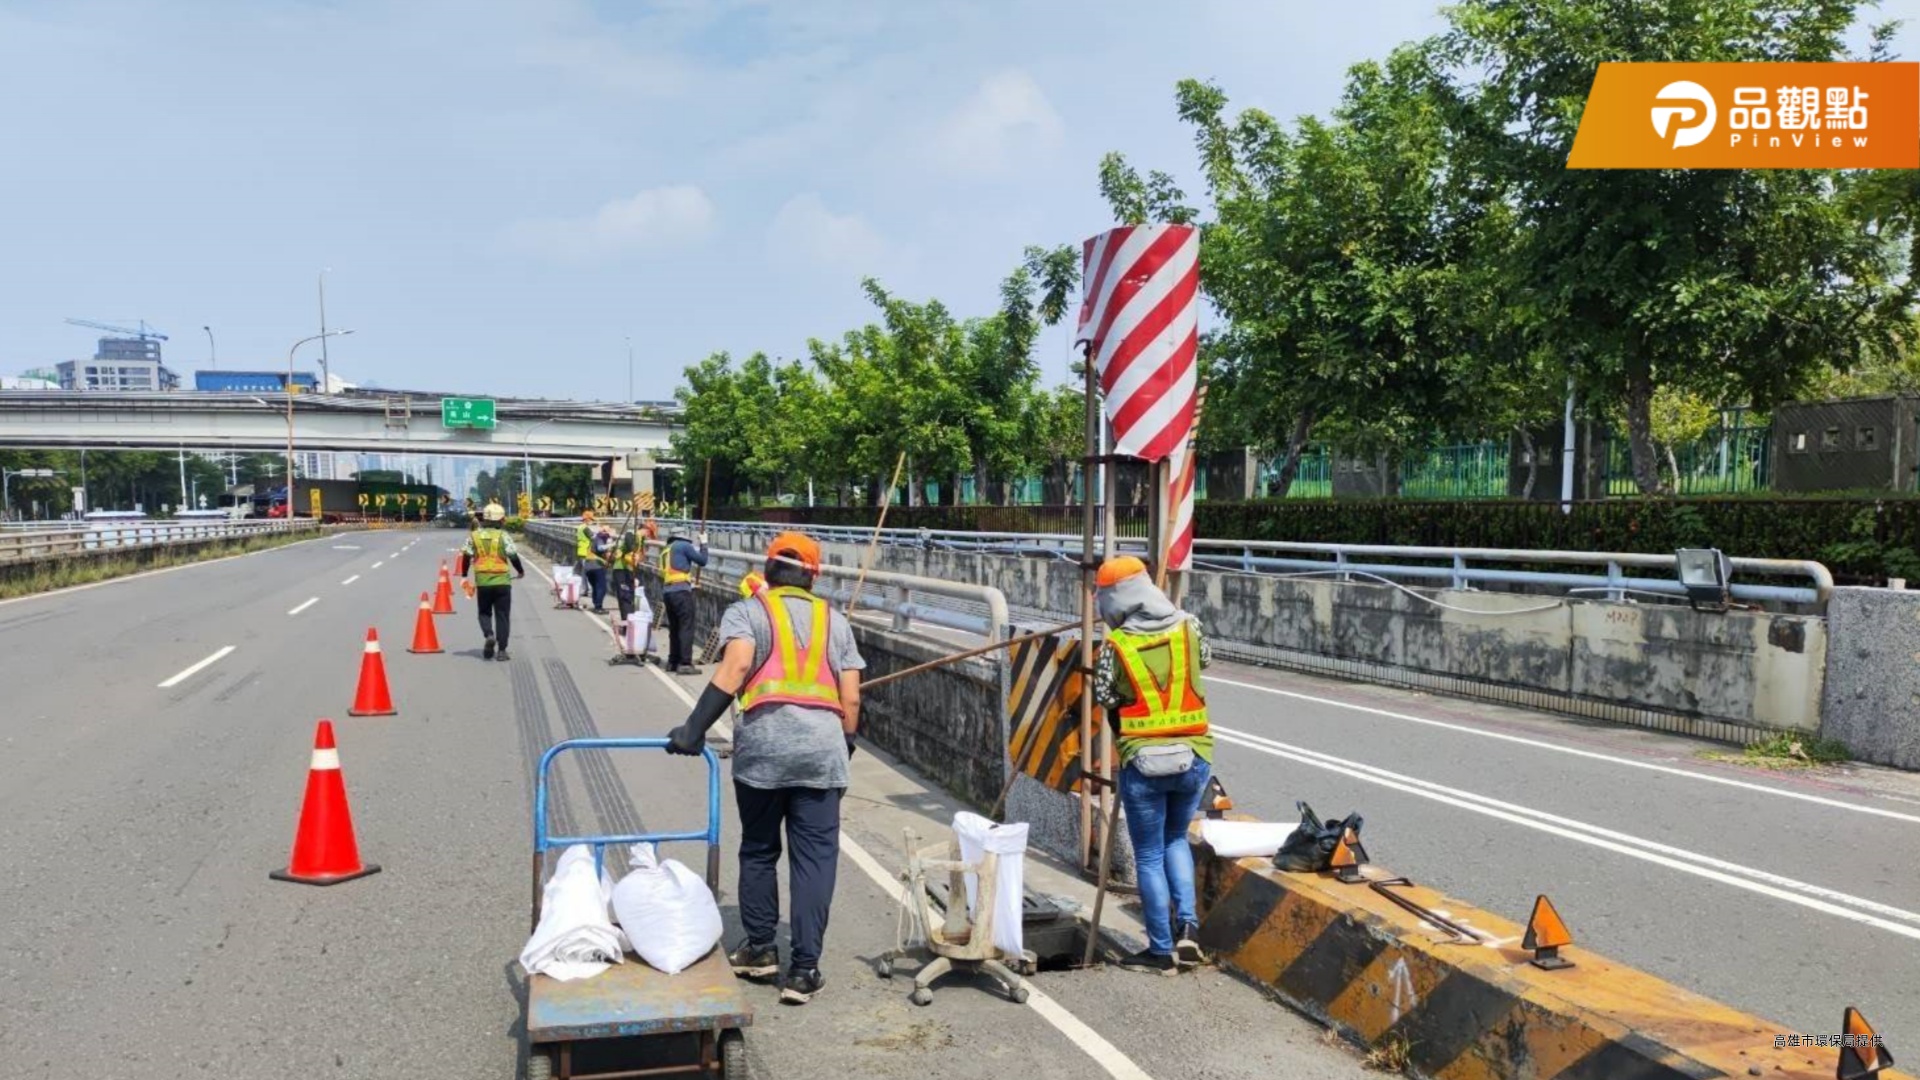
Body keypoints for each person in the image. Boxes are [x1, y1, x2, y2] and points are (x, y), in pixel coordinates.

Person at [666, 531, 863, 1007]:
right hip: (822, 753)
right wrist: (845, 746)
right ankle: (804, 970)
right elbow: (851, 697)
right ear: (813, 576)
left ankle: (758, 949)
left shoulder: (749, 611)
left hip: (763, 753)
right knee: (814, 860)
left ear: (769, 568)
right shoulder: (835, 621)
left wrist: (692, 731)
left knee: (758, 849)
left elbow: (733, 671)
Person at [1091, 555, 1213, 973]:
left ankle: (1161, 950)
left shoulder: (1117, 644)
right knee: (1176, 839)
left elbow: (1105, 697)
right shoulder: (1189, 626)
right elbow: (1205, 662)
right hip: (1194, 757)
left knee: (1147, 855)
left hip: (1143, 762)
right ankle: (1189, 931)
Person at [457, 502, 526, 662]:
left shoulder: (474, 536)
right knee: (502, 616)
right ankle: (502, 651)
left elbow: (466, 556)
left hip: (483, 582)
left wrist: (464, 574)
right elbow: (513, 555)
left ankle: (489, 635)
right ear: (501, 520)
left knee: (484, 613)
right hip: (502, 581)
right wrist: (520, 571)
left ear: (484, 519)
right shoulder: (504, 536)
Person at [660, 527, 710, 674]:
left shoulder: (666, 550)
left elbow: (675, 572)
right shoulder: (683, 545)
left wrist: (689, 584)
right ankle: (685, 663)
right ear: (683, 537)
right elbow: (702, 561)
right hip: (680, 592)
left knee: (674, 628)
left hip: (668, 592)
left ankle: (673, 662)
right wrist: (704, 544)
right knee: (686, 627)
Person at [575, 509, 609, 614]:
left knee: (587, 576)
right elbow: (594, 537)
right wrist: (602, 533)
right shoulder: (585, 528)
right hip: (587, 553)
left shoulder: (580, 527)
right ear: (587, 519)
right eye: (591, 520)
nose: (592, 522)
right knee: (594, 581)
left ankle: (587, 593)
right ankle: (588, 594)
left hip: (583, 552)